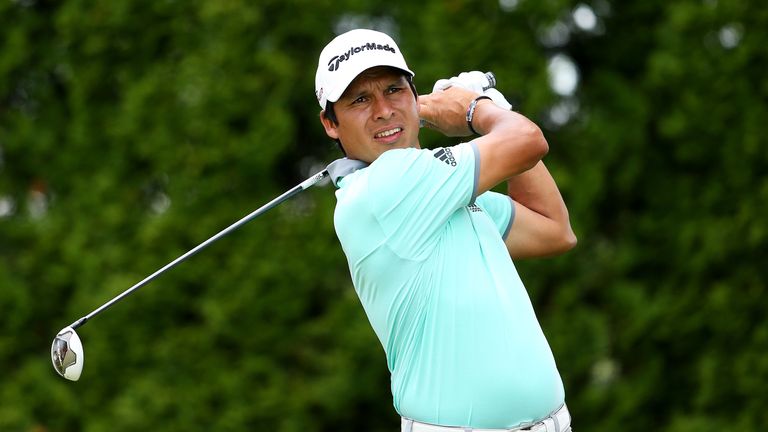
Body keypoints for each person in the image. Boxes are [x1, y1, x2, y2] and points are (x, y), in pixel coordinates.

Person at [315, 28, 577, 432]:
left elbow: (553, 229)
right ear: (330, 123)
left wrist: (493, 114)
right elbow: (527, 140)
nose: (383, 110)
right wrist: (477, 109)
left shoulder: (442, 192)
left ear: (414, 96)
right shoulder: (383, 188)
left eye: (394, 90)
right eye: (360, 100)